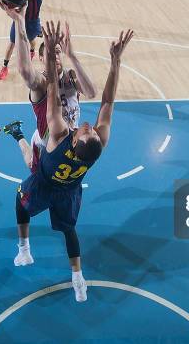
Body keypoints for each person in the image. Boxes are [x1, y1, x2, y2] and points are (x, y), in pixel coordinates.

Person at [13, 22, 133, 302]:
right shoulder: (94, 145)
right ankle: (77, 277)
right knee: (67, 226)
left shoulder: (62, 124)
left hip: (51, 152)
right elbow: (106, 102)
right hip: (64, 169)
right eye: (49, 54)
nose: (89, 125)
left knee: (24, 194)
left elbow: (85, 97)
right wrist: (113, 61)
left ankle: (24, 247)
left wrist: (67, 58)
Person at [0, 5, 96, 172]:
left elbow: (91, 93)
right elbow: (24, 70)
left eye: (58, 52)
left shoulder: (70, 76)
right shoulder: (41, 83)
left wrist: (72, 56)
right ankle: (18, 134)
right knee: (32, 165)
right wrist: (19, 21)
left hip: (72, 139)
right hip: (46, 145)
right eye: (51, 52)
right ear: (41, 57)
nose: (56, 55)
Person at [0, 0, 49, 80]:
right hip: (20, 21)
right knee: (12, 43)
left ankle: (32, 51)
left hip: (33, 22)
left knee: (31, 41)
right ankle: (4, 67)